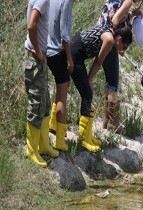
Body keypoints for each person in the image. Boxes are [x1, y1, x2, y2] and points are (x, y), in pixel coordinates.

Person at [71, 25, 133, 151]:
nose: (123, 50)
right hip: (74, 56)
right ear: (119, 39)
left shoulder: (110, 33)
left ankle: (87, 135)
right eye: (124, 47)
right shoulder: (109, 40)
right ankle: (84, 139)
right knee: (87, 94)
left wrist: (88, 79)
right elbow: (98, 62)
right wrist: (89, 80)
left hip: (76, 55)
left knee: (88, 93)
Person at [97, 0, 142, 133]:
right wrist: (119, 43)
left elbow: (114, 15)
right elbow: (115, 20)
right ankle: (115, 124)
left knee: (109, 82)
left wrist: (132, 15)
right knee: (113, 85)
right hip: (109, 40)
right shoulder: (127, 1)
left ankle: (106, 122)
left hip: (102, 37)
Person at [23, 0, 59, 167]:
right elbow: (31, 25)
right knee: (37, 103)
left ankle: (43, 145)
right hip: (35, 57)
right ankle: (31, 150)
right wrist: (38, 51)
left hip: (37, 57)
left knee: (44, 101)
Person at [47, 0, 73, 152]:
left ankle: (52, 123)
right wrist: (69, 59)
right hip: (58, 51)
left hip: (46, 50)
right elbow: (65, 35)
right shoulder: (66, 2)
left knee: (60, 87)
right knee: (63, 94)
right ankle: (60, 141)